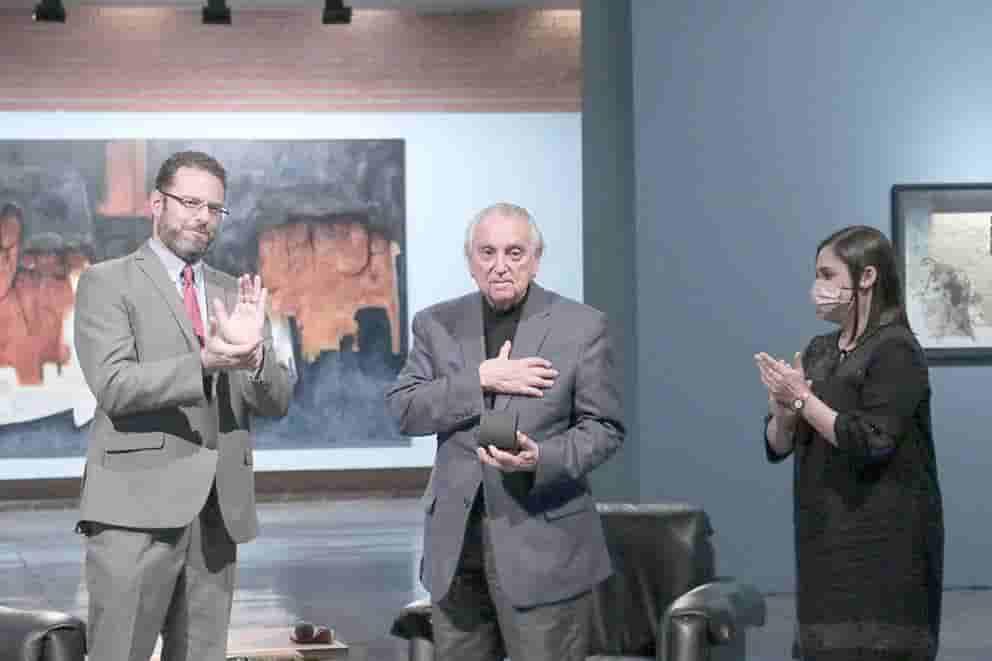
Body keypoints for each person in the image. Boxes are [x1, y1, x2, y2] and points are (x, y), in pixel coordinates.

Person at [73, 150, 293, 661]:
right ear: (157, 203)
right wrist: (206, 362)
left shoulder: (234, 293)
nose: (203, 217)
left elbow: (276, 399)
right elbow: (115, 385)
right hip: (134, 513)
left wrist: (256, 356)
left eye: (214, 208)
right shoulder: (107, 282)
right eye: (190, 203)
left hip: (217, 515)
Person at [386, 202, 624, 661]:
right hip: (456, 551)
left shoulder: (582, 327)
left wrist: (542, 458)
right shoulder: (436, 324)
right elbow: (405, 409)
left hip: (544, 545)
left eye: (515, 253)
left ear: (536, 259)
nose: (500, 266)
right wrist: (480, 379)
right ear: (470, 261)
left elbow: (605, 428)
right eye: (487, 252)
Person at [755, 225, 943, 661]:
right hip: (824, 539)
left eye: (827, 275)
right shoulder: (819, 350)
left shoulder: (896, 349)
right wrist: (784, 411)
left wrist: (802, 399)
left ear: (867, 277)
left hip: (886, 544)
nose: (817, 287)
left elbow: (872, 440)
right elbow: (778, 446)